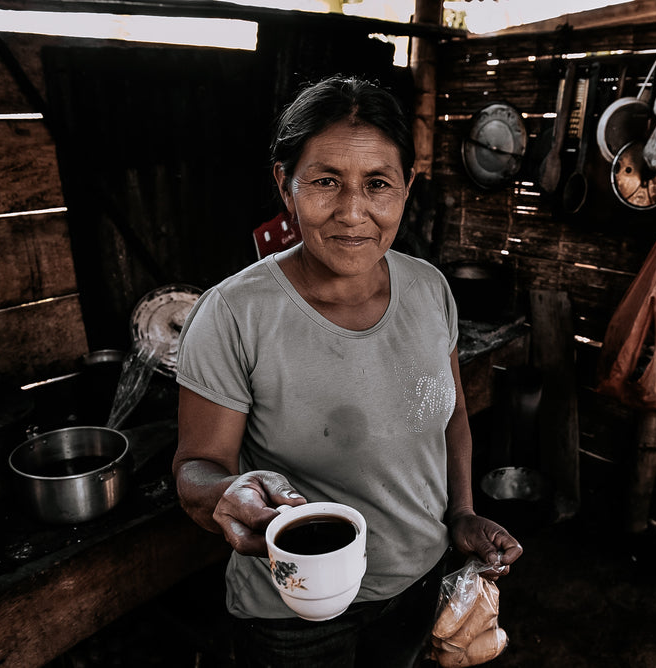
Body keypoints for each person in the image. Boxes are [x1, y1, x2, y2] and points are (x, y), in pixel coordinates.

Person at [171, 75, 523, 668]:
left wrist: (460, 513)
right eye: (326, 181)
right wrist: (222, 494)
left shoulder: (430, 289)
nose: (352, 213)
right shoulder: (234, 313)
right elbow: (195, 469)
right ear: (286, 185)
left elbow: (452, 415)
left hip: (417, 585)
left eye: (377, 184)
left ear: (407, 188)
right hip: (295, 613)